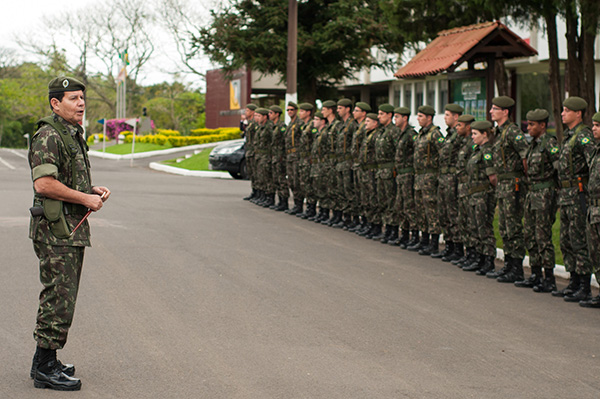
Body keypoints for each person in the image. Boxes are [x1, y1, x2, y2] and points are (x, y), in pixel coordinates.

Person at [29, 76, 111, 391]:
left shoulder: (70, 134)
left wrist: (90, 190)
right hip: (56, 230)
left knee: (63, 296)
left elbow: (63, 179)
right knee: (58, 297)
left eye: (82, 98)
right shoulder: (49, 135)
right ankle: (46, 368)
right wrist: (85, 199)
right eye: (73, 98)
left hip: (69, 227)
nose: (80, 104)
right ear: (55, 103)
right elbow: (44, 184)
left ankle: (43, 361)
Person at [552, 96, 595, 302]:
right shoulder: (570, 136)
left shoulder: (583, 136)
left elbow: (592, 164)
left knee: (579, 240)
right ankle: (574, 281)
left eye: (567, 110)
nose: (562, 113)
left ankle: (585, 285)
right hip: (566, 195)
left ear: (578, 113)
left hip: (578, 194)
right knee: (567, 240)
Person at [515, 109, 559, 292]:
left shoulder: (550, 144)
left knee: (543, 237)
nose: (529, 127)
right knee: (530, 235)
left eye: (532, 124)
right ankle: (535, 274)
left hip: (544, 194)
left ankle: (549, 278)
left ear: (542, 125)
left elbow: (559, 168)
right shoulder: (532, 145)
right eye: (528, 124)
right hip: (531, 194)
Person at [489, 96, 529, 283]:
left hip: (513, 185)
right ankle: (509, 265)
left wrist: (523, 180)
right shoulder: (499, 132)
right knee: (504, 227)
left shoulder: (513, 132)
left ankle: (517, 268)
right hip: (503, 185)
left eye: (495, 108)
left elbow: (525, 156)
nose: (491, 111)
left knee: (513, 227)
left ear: (505, 112)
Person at [462, 120, 497, 274]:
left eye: (475, 134)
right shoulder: (477, 150)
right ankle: (479, 258)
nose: (472, 137)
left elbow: (493, 177)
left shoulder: (488, 152)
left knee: (484, 228)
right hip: (474, 194)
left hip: (484, 195)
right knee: (475, 227)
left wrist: (490, 192)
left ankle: (488, 261)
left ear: (485, 134)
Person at [409, 105, 443, 256]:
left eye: (421, 116)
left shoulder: (435, 134)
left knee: (431, 210)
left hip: (430, 177)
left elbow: (443, 154)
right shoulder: (421, 134)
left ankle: (434, 243)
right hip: (419, 177)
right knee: (421, 210)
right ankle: (424, 240)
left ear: (429, 118)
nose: (418, 118)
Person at [434, 103, 465, 259]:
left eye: (447, 115)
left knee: (453, 214)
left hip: (453, 179)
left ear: (456, 117)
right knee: (444, 213)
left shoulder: (459, 136)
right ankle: (449, 245)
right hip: (444, 178)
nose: (445, 117)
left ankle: (458, 248)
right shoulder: (448, 135)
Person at [389, 106, 417, 248]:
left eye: (397, 117)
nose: (395, 120)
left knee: (409, 206)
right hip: (400, 174)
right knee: (400, 206)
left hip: (408, 174)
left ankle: (415, 236)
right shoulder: (400, 134)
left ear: (405, 118)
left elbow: (417, 153)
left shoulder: (411, 134)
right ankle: (405, 235)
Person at [580, 111, 600, 308]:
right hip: (593, 210)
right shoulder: (596, 151)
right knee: (595, 252)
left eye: (597, 125)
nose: (593, 128)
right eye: (593, 124)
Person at [451, 115, 477, 265]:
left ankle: (473, 254)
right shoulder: (461, 142)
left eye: (460, 125)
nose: (457, 127)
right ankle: (467, 254)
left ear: (468, 127)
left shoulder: (472, 144)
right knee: (462, 220)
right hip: (461, 185)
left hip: (468, 186)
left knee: (470, 221)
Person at [374, 104, 400, 243]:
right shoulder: (382, 131)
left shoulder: (394, 131)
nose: (379, 117)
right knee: (383, 201)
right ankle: (387, 229)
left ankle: (393, 231)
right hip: (381, 171)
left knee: (392, 202)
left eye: (382, 114)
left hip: (390, 171)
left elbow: (398, 152)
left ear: (390, 115)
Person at [332, 99, 357, 229]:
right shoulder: (342, 125)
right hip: (341, 162)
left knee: (349, 191)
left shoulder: (353, 125)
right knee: (341, 191)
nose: (338, 110)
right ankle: (345, 216)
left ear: (348, 109)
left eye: (340, 108)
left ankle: (352, 219)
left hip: (348, 162)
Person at [284, 102, 304, 215]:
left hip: (296, 156)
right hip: (289, 156)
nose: (289, 112)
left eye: (291, 109)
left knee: (297, 181)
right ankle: (296, 204)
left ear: (296, 110)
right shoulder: (290, 124)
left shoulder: (299, 124)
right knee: (291, 181)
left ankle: (299, 205)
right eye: (288, 110)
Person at [268, 105, 288, 211]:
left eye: (271, 113)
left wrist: (282, 156)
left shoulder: (282, 126)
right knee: (276, 179)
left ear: (277, 114)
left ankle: (284, 202)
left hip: (280, 157)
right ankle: (280, 201)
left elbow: (286, 142)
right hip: (274, 157)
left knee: (281, 180)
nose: (269, 115)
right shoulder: (273, 126)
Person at [242, 104, 259, 201]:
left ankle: (259, 193)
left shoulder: (255, 124)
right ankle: (254, 192)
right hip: (249, 151)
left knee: (257, 174)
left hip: (254, 152)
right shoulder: (250, 123)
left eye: (247, 110)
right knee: (252, 173)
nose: (245, 112)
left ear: (252, 112)